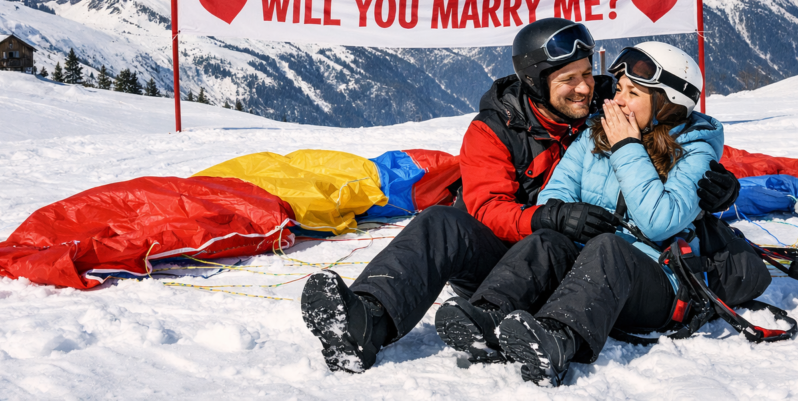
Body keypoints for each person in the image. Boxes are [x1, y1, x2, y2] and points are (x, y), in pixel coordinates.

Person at [299, 21, 738, 373]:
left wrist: (725, 189)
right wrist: (549, 218)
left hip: (584, 261)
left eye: (589, 74)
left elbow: (680, 144)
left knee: (585, 248)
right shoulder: (494, 131)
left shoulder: (613, 104)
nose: (586, 89)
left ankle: (536, 328)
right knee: (440, 221)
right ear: (538, 82)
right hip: (514, 256)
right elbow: (487, 209)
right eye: (569, 80)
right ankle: (366, 320)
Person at [489, 41, 723, 384]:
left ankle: (558, 340)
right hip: (594, 276)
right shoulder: (597, 132)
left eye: (633, 93)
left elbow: (659, 223)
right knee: (548, 238)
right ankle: (488, 314)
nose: (618, 100)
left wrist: (627, 147)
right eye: (619, 89)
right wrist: (569, 217)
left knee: (610, 247)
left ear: (667, 105)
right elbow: (553, 194)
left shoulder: (695, 150)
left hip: (656, 280)